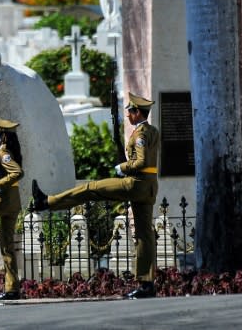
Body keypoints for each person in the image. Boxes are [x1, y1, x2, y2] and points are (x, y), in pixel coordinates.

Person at [32, 92, 160, 299]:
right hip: (149, 186)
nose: (127, 115)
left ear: (137, 113)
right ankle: (146, 284)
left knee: (91, 188)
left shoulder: (141, 134)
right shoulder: (152, 130)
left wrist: (122, 167)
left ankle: (47, 202)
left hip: (135, 184)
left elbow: (141, 162)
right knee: (144, 235)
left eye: (130, 111)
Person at [0, 118, 24, 300]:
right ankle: (12, 288)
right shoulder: (12, 151)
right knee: (7, 247)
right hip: (13, 202)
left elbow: (17, 172)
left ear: (1, 135)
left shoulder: (3, 152)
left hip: (3, 200)